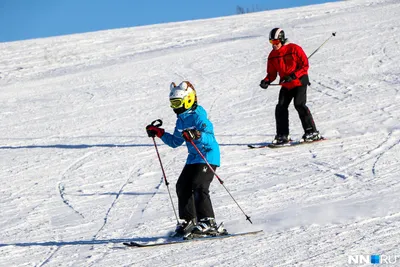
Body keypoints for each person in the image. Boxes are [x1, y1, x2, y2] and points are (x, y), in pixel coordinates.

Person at [145, 81, 223, 237]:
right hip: (193, 158)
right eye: (172, 103)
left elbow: (210, 137)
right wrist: (160, 133)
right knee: (182, 185)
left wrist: (198, 135)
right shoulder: (181, 119)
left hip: (208, 155)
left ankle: (208, 221)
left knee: (199, 185)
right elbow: (175, 142)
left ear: (187, 100)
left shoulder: (198, 116)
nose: (174, 107)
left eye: (177, 102)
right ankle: (189, 220)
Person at [260, 28, 322, 145]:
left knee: (299, 104)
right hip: (286, 84)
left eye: (276, 42)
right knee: (281, 107)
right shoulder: (272, 55)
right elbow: (271, 73)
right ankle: (283, 135)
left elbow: (305, 66)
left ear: (282, 40)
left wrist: (293, 76)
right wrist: (266, 81)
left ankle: (312, 132)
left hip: (299, 81)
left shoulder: (294, 49)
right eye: (271, 42)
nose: (274, 45)